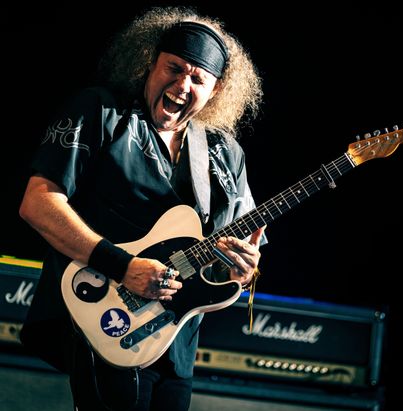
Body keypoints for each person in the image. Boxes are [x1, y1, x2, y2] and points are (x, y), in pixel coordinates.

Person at [19, 5, 266, 411]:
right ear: (150, 62)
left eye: (198, 78)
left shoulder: (224, 153)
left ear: (216, 90)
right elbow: (37, 203)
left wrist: (242, 270)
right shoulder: (102, 111)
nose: (182, 84)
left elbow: (231, 260)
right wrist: (122, 267)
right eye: (174, 68)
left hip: (176, 344)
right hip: (103, 316)